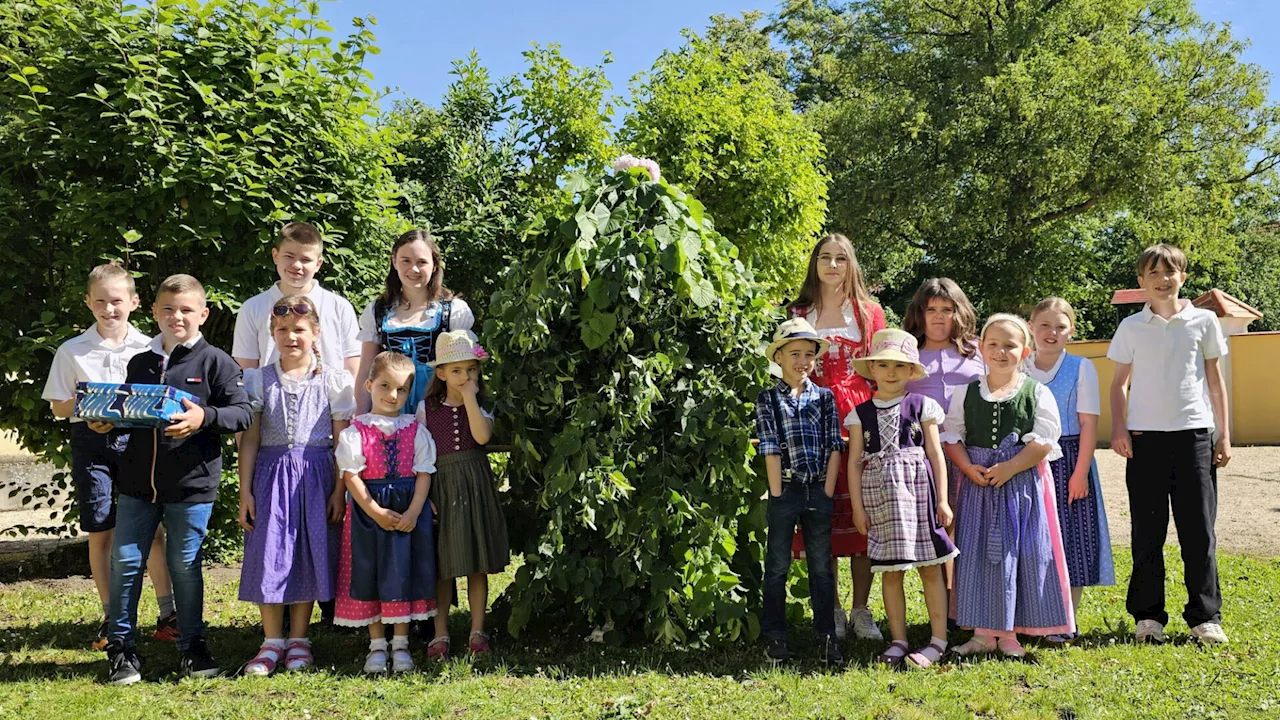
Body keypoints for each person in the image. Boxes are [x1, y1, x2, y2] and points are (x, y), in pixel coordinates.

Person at [102, 274, 253, 684]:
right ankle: (121, 650)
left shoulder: (216, 361)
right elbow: (132, 416)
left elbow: (243, 413)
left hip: (191, 485)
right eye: (168, 309)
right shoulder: (140, 361)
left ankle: (193, 646)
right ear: (153, 312)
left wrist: (205, 417)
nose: (177, 317)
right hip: (137, 485)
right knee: (125, 561)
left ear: (202, 314)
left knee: (184, 565)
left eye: (186, 309)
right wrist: (109, 424)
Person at [41, 262, 176, 650]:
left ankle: (167, 613)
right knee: (101, 528)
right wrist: (90, 409)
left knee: (152, 528)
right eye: (100, 301)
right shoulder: (73, 350)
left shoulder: (150, 347)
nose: (109, 308)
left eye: (117, 301)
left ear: (134, 302)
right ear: (88, 302)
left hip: (137, 441)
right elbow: (58, 406)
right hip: (91, 443)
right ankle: (109, 615)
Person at [1108, 244, 1231, 646]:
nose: (1163, 280)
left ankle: (1205, 617)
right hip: (1144, 441)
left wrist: (1223, 434)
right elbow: (1118, 384)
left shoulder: (1204, 321)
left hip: (1194, 437)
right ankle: (1148, 617)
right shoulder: (1130, 327)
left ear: (1183, 276)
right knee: (1148, 531)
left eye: (1170, 272)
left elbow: (1215, 382)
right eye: (1153, 273)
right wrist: (1121, 430)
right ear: (1141, 281)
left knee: (1199, 531)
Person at [237, 296, 356, 675]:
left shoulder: (334, 381)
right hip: (271, 476)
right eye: (283, 330)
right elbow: (251, 439)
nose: (291, 337)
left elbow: (342, 441)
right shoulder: (258, 380)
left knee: (307, 550)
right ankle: (272, 641)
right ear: (272, 334)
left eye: (299, 330)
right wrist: (245, 491)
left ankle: (300, 639)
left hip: (317, 475)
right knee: (270, 549)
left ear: (316, 333)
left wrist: (340, 490)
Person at [942, 314, 1073, 658]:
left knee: (1018, 554)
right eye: (993, 345)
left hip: (1020, 488)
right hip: (978, 487)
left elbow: (1044, 440)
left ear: (1025, 351)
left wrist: (1012, 467)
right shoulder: (965, 393)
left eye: (1010, 345)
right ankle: (983, 633)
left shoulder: (1036, 392)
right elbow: (952, 436)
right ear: (981, 350)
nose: (1001, 352)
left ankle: (1011, 633)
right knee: (977, 555)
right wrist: (968, 467)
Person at [785, 233, 886, 642]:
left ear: (851, 264)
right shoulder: (797, 311)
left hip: (859, 414)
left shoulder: (868, 312)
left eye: (840, 258)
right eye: (824, 257)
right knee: (819, 515)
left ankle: (862, 609)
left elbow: (879, 368)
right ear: (815, 264)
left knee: (862, 517)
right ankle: (832, 608)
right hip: (810, 416)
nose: (832, 265)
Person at [847, 329, 957, 669]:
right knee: (890, 571)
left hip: (917, 494)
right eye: (883, 365)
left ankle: (939, 638)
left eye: (899, 365)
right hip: (879, 497)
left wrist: (942, 500)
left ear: (911, 371)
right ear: (872, 370)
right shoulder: (859, 414)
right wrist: (857, 508)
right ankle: (899, 638)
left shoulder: (923, 405)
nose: (891, 372)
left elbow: (935, 453)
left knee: (929, 566)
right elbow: (854, 461)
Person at [333, 351, 438, 673]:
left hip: (408, 513)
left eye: (402, 389)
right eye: (385, 386)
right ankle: (377, 645)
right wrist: (374, 510)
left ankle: (402, 644)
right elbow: (351, 475)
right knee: (372, 573)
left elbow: (424, 472)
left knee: (405, 573)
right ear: (368, 385)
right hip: (370, 515)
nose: (393, 395)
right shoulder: (355, 432)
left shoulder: (415, 430)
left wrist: (415, 512)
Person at [756, 318, 845, 666]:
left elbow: (834, 445)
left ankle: (826, 638)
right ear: (778, 357)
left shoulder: (824, 398)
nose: (802, 361)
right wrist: (778, 493)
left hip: (817, 488)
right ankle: (775, 636)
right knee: (777, 565)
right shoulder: (768, 399)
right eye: (794, 353)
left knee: (821, 567)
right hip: (787, 489)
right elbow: (770, 446)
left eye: (809, 354)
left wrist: (825, 489)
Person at [417, 330, 509, 662]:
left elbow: (482, 437)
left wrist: (470, 397)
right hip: (442, 486)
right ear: (440, 373)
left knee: (476, 563)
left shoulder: (481, 404)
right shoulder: (426, 409)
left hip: (475, 485)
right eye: (456, 370)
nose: (464, 376)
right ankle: (440, 633)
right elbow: (421, 456)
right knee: (443, 564)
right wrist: (424, 497)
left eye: (471, 369)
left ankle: (477, 631)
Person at [1027, 297, 1114, 642]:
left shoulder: (1081, 368)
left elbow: (1089, 424)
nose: (1051, 332)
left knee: (1072, 539)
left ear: (1071, 331)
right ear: (1031, 326)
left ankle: (1066, 620)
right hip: (1028, 457)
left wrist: (1080, 474)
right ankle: (1032, 615)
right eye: (1044, 325)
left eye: (1060, 327)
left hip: (1070, 455)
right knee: (1033, 540)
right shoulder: (1019, 365)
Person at [902, 277, 984, 607]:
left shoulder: (977, 350)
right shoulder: (908, 354)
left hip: (973, 451)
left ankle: (969, 606)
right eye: (930, 309)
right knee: (936, 531)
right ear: (918, 314)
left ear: (959, 313)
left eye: (947, 310)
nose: (938, 317)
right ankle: (943, 611)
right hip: (925, 456)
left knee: (970, 530)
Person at [355, 229, 474, 415]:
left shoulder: (453, 311)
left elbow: (465, 372)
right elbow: (365, 372)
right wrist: (362, 419)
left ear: (434, 265)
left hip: (439, 410)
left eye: (422, 262)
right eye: (406, 261)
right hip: (390, 410)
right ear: (394, 262)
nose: (414, 269)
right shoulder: (377, 311)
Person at [232, 221, 362, 375]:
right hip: (268, 397)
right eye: (289, 256)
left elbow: (353, 366)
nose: (297, 265)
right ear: (275, 255)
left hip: (332, 397)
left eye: (306, 260)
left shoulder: (339, 307)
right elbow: (247, 369)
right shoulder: (252, 308)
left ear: (318, 264)